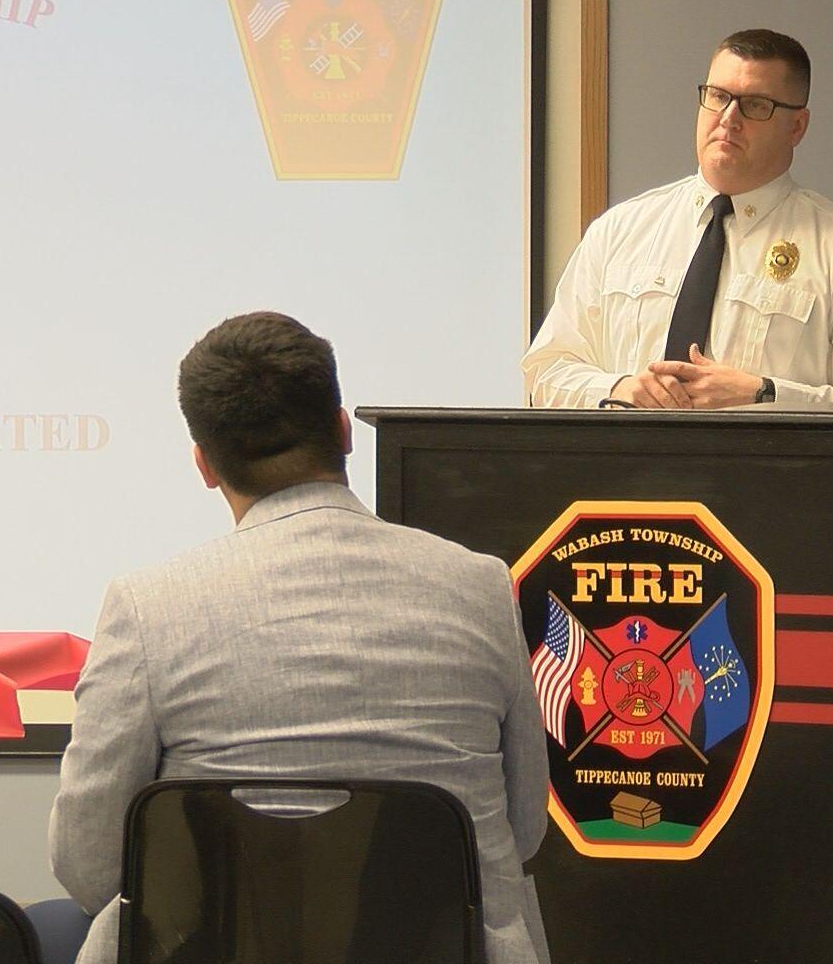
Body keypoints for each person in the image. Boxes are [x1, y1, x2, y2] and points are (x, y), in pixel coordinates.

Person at [45, 312, 551, 964]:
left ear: (203, 464)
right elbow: (524, 829)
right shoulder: (481, 588)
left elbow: (89, 866)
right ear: (342, 431)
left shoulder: (147, 607)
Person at [522, 28, 833, 408]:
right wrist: (620, 389)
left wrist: (765, 394)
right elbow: (547, 370)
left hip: (767, 472)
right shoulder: (619, 231)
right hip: (625, 471)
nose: (728, 118)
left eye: (756, 105)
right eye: (717, 96)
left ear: (797, 126)